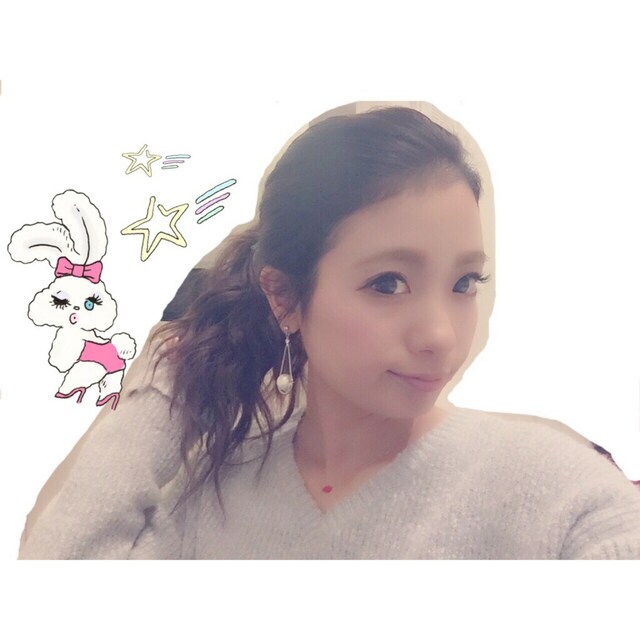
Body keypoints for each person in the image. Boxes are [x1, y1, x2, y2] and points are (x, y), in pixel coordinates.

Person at [18, 103, 640, 559]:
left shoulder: (556, 492)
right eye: (388, 283)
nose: (441, 336)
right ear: (284, 298)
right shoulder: (210, 497)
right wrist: (170, 377)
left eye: (464, 282)